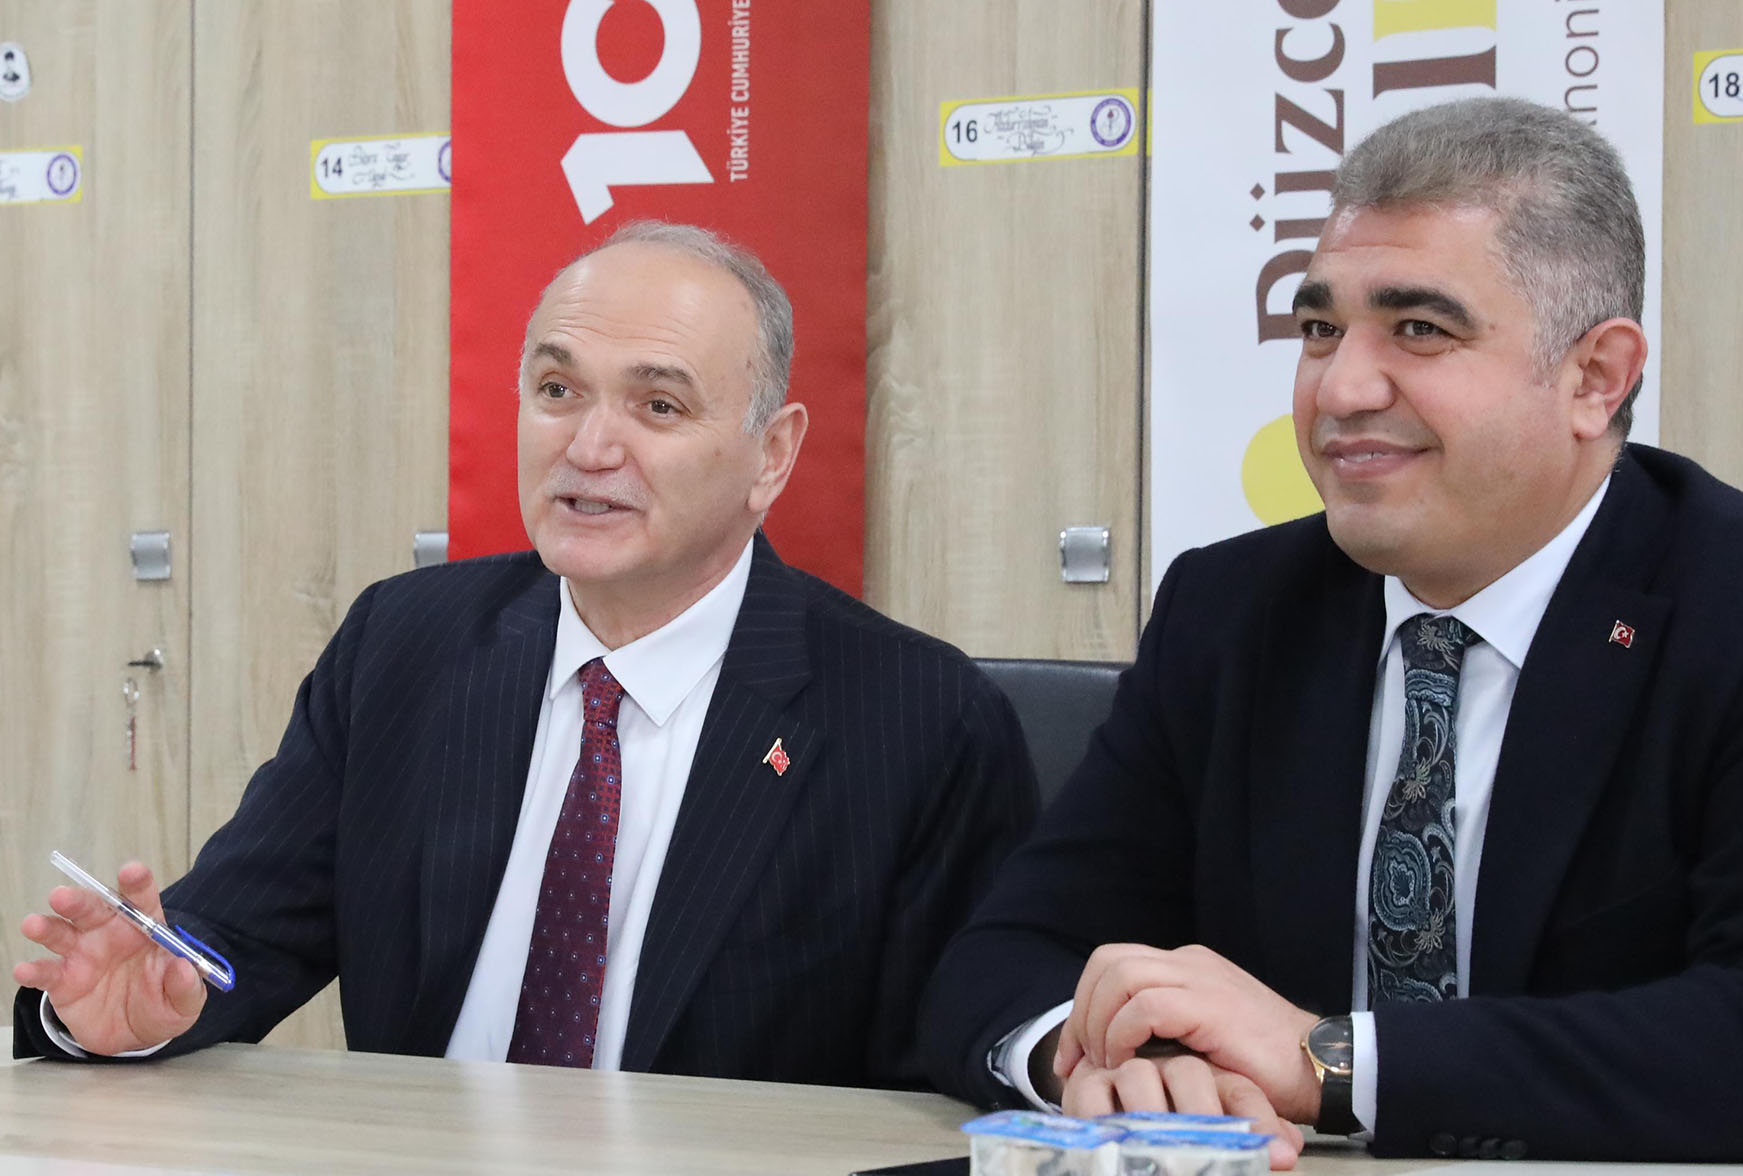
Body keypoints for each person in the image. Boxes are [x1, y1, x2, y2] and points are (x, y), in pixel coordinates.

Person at [918, 96, 1743, 1166]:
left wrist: (1334, 1064)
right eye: (1319, 330)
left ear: (1594, 377)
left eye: (1419, 329)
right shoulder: (1230, 608)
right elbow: (1004, 954)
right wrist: (1092, 1058)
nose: (1340, 387)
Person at [15, 222, 1036, 1085]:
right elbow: (237, 936)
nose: (589, 447)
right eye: (556, 390)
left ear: (771, 454)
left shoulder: (916, 718)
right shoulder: (405, 644)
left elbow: (955, 1060)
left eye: (658, 406)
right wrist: (134, 1008)